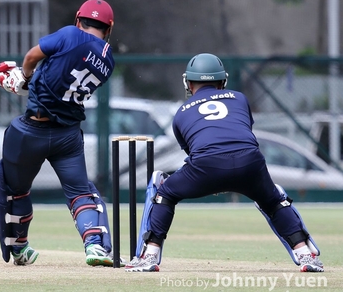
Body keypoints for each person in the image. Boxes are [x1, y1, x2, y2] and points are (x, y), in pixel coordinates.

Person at [125, 53, 324, 273]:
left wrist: (215, 180)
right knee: (273, 201)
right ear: (222, 81)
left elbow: (195, 152)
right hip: (250, 161)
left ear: (188, 83)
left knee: (165, 192)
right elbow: (242, 132)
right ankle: (304, 254)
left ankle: (150, 255)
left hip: (206, 166)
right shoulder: (240, 98)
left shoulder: (181, 112)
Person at [0, 0, 118, 266]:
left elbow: (31, 57)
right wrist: (29, 82)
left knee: (16, 191)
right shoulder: (108, 60)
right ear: (109, 29)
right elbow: (62, 79)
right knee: (80, 193)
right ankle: (94, 246)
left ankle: (20, 248)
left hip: (32, 131)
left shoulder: (70, 34)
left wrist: (22, 78)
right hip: (67, 136)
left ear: (78, 19)